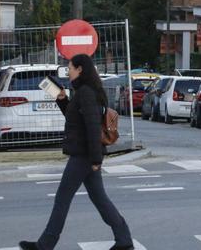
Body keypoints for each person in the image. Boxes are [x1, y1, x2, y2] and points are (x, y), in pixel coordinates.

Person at [19, 54, 133, 250]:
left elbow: (92, 126)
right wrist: (63, 100)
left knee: (62, 198)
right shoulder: (82, 92)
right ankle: (124, 240)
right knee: (99, 198)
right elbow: (77, 120)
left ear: (80, 69)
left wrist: (96, 158)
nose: (68, 71)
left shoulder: (86, 93)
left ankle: (45, 245)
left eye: (70, 68)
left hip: (84, 155)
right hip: (87, 154)